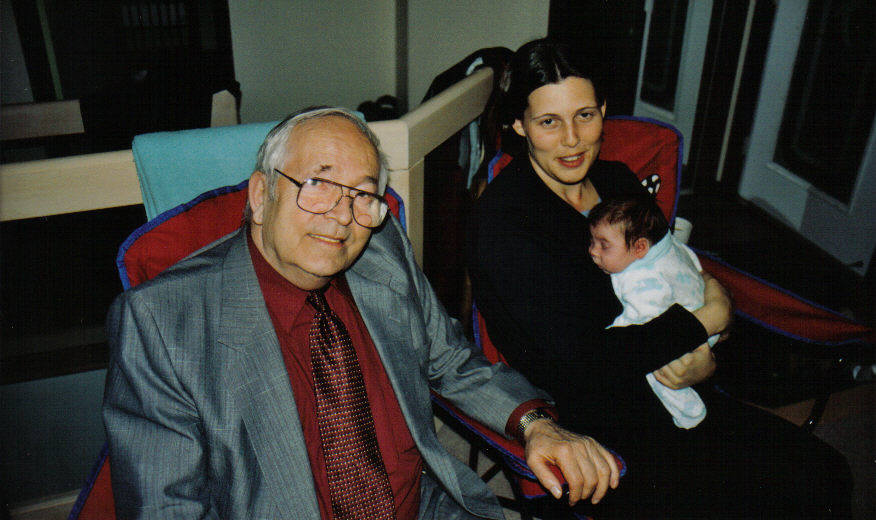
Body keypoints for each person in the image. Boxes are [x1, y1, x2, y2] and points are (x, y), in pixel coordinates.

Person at [102, 107, 621, 520]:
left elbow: (450, 361)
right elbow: (166, 507)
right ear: (262, 195)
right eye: (319, 185)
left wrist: (535, 424)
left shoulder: (381, 250)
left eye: (362, 195)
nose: (342, 217)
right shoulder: (161, 323)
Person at [467, 38, 852, 518]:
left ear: (603, 110)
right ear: (519, 124)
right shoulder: (504, 224)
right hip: (597, 432)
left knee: (825, 474)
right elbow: (582, 364)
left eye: (585, 115)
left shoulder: (618, 184)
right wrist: (707, 320)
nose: (572, 139)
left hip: (677, 390)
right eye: (549, 122)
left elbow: (677, 276)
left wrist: (710, 352)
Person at [589, 195, 719, 429]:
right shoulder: (668, 247)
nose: (593, 251)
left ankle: (690, 411)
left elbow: (643, 326)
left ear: (640, 247)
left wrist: (612, 331)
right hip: (703, 308)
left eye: (603, 245)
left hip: (691, 337)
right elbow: (692, 261)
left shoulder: (641, 280)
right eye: (592, 241)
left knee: (654, 367)